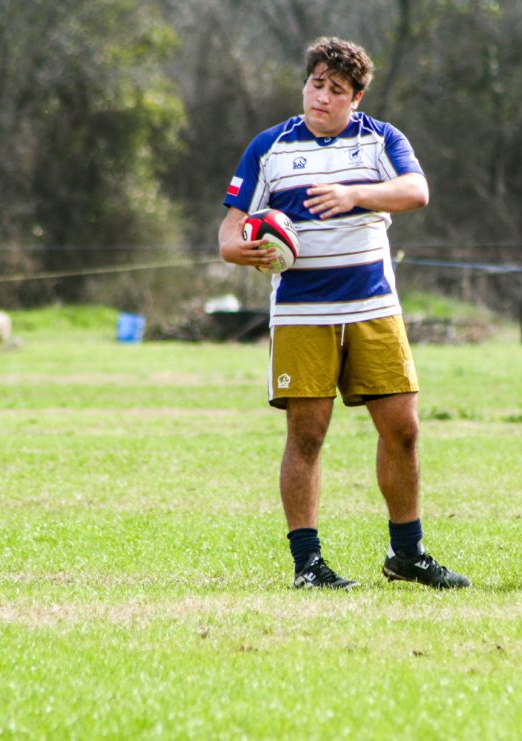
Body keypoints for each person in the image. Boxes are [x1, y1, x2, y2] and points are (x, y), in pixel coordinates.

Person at [217, 36, 469, 591]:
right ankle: (308, 565)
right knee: (306, 435)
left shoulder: (380, 140)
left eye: (336, 90)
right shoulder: (270, 147)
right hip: (303, 313)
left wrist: (356, 196)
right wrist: (243, 250)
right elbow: (230, 232)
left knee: (403, 429)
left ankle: (407, 554)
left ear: (355, 97)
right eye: (315, 85)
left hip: (374, 308)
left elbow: (416, 190)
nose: (321, 97)